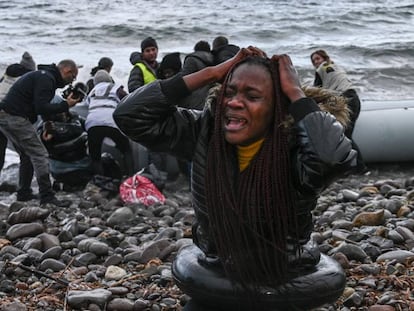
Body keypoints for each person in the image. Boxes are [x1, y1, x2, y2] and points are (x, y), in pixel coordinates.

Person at [113, 47, 357, 310]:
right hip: (219, 266)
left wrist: (295, 93)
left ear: (276, 106)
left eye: (252, 96)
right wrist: (210, 74)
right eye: (229, 92)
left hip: (283, 273)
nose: (234, 102)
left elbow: (333, 158)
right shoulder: (205, 133)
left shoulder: (296, 146)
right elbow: (130, 116)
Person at [0, 59, 81, 206]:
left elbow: (38, 104)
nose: (72, 81)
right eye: (73, 76)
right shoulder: (46, 78)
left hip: (6, 115)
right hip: (14, 117)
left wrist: (47, 126)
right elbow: (41, 107)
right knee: (40, 154)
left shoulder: (43, 76)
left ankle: (24, 193)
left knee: (26, 154)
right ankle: (47, 196)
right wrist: (66, 105)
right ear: (66, 71)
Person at [310, 49, 368, 173]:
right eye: (313, 60)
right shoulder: (337, 67)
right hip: (354, 98)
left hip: (345, 100)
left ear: (325, 59)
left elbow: (316, 91)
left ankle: (360, 168)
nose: (315, 62)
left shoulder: (320, 69)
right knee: (345, 134)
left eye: (318, 59)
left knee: (345, 135)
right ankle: (352, 167)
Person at [84, 69, 133, 177]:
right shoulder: (114, 87)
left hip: (93, 124)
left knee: (95, 157)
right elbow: (128, 100)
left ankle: (99, 181)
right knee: (126, 149)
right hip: (111, 122)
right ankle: (130, 177)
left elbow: (88, 105)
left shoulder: (92, 92)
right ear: (109, 79)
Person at [38, 107, 92, 192]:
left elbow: (90, 127)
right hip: (68, 169)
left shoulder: (75, 118)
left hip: (76, 166)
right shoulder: (47, 128)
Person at [0, 51, 37, 175]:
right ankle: (24, 190)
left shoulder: (4, 76)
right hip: (7, 116)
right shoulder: (26, 79)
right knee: (26, 152)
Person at [180, 40, 215, 110]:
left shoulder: (191, 59)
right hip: (208, 98)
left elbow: (183, 80)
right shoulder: (215, 59)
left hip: (193, 100)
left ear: (195, 50)